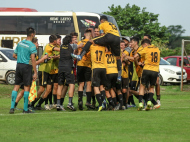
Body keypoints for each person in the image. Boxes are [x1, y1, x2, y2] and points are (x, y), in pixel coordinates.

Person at [71, 15, 122, 83]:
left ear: (101, 21)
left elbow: (102, 35)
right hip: (117, 38)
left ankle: (80, 56)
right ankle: (119, 76)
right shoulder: (113, 25)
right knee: (118, 57)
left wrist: (99, 41)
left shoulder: (102, 24)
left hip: (109, 36)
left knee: (90, 41)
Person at [14, 38, 48, 110]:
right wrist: (42, 60)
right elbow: (33, 63)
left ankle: (15, 104)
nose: (38, 45)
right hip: (26, 72)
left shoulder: (33, 51)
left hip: (26, 71)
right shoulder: (30, 51)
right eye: (37, 43)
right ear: (33, 44)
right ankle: (26, 106)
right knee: (26, 89)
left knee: (24, 90)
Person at [9, 27, 37, 114]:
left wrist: (21, 58)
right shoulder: (32, 45)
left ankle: (12, 108)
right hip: (26, 67)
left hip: (19, 66)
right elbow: (33, 59)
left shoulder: (20, 43)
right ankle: (25, 109)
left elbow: (14, 55)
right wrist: (35, 72)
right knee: (26, 87)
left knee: (16, 86)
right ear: (32, 34)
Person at [31, 35, 60, 110]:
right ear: (54, 41)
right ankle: (32, 104)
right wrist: (65, 49)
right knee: (41, 89)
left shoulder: (54, 47)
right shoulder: (48, 46)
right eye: (57, 40)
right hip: (43, 70)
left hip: (48, 71)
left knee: (49, 89)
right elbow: (56, 49)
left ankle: (38, 105)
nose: (58, 41)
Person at [134, 39, 160, 111]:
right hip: (155, 70)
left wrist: (138, 62)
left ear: (145, 44)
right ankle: (149, 102)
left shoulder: (146, 49)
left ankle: (140, 103)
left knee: (142, 86)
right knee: (151, 87)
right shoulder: (157, 48)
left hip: (147, 69)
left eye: (142, 46)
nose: (143, 47)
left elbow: (136, 56)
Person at [56, 35, 79, 111]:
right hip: (68, 67)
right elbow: (80, 46)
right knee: (71, 84)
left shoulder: (62, 46)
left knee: (60, 86)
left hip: (61, 67)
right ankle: (70, 103)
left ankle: (58, 104)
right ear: (70, 41)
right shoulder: (72, 45)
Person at [76, 29, 94, 110]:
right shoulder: (92, 43)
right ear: (91, 35)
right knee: (88, 83)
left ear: (84, 34)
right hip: (88, 65)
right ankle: (88, 101)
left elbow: (76, 52)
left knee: (81, 84)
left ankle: (80, 100)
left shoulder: (80, 42)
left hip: (80, 64)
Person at [143, 34, 161, 105]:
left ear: (149, 40)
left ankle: (158, 98)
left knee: (156, 82)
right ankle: (149, 101)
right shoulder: (143, 47)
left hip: (154, 67)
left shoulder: (154, 47)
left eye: (145, 39)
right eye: (143, 39)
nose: (144, 40)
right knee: (145, 85)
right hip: (146, 68)